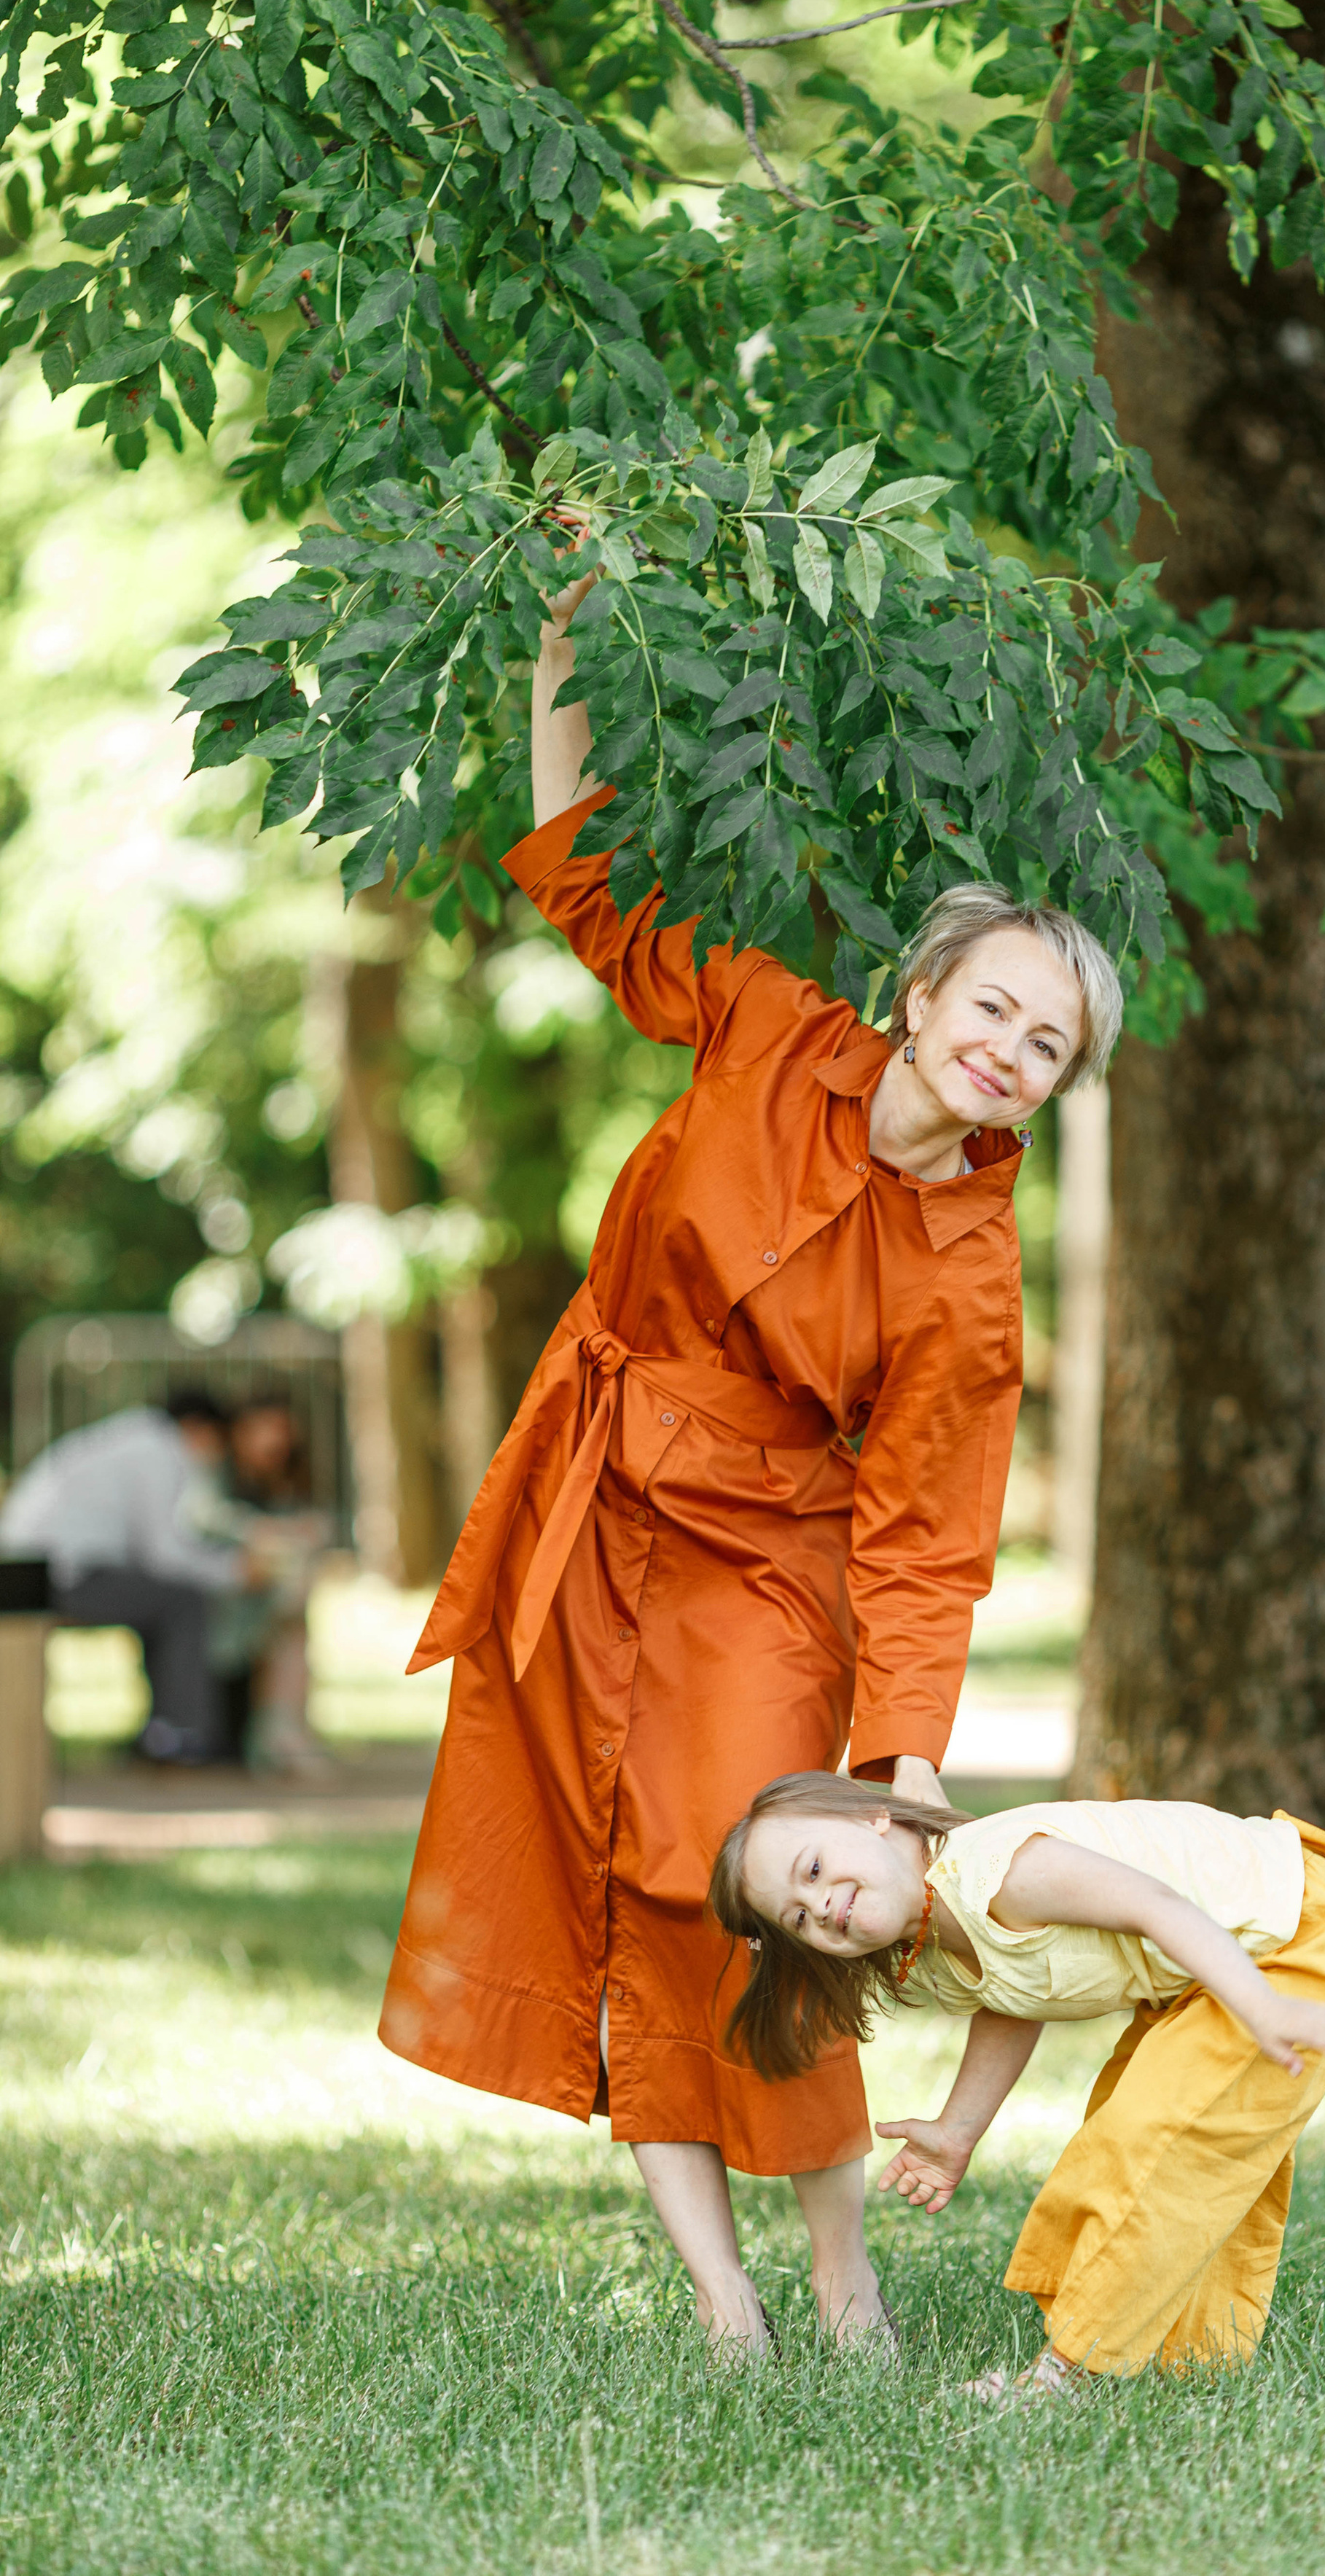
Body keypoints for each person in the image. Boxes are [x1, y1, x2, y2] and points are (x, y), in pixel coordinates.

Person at [378, 570, 1125, 2352]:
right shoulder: (769, 1022)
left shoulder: (964, 1275)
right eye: (995, 1006)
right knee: (637, 1889)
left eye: (1047, 1046)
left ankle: (842, 2275)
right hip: (590, 1492)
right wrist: (563, 634)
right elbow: (581, 861)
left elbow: (929, 1532)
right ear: (928, 983)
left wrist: (905, 1761)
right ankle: (722, 2301)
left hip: (759, 1565)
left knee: (773, 1904)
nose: (1006, 1050)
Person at [709, 1771, 1325, 2392]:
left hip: (1287, 1941)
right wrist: (958, 2128)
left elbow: (1159, 1907)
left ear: (875, 1820)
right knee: (1163, 2150)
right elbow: (1014, 1993)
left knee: (1154, 2144)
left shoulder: (1002, 1869)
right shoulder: (929, 1936)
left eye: (812, 1870)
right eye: (797, 1918)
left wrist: (1260, 2006)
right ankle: (1187, 2361)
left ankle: (1067, 2374)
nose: (820, 1907)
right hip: (1208, 1974)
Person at [0, 1389, 258, 1764]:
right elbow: (164, 1555)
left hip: (34, 1569)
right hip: (56, 1576)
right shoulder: (160, 1452)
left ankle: (163, 1731)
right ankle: (183, 1736)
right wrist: (234, 1570)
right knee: (184, 1601)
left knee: (160, 1599)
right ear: (199, 1428)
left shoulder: (128, 1438)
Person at [192, 1398, 332, 1771]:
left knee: (291, 1606)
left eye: (282, 1431)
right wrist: (262, 1534)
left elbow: (315, 1528)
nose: (274, 1442)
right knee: (290, 1608)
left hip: (265, 1608)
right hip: (221, 1610)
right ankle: (281, 1730)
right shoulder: (214, 1477)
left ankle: (282, 1727)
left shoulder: (285, 1483)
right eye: (265, 1431)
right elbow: (202, 1524)